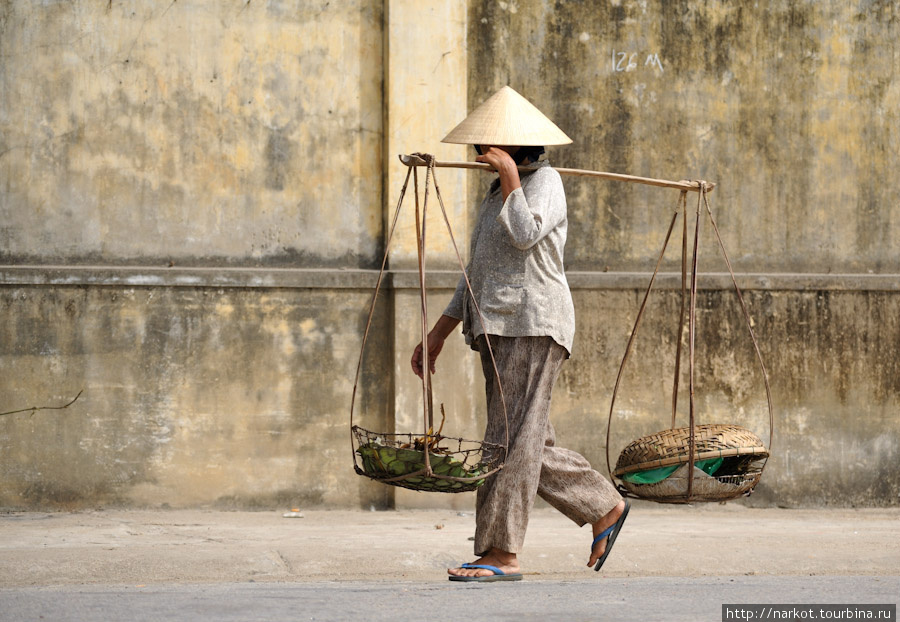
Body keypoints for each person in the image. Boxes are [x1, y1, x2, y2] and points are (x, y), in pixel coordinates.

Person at [410, 86, 629, 582]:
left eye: (490, 149)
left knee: (507, 442)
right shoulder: (497, 194)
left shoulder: (544, 181)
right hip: (497, 325)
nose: (480, 156)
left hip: (532, 322)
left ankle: (500, 553)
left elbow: (527, 235)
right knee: (529, 440)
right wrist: (440, 331)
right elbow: (479, 270)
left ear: (512, 148)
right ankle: (604, 505)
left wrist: (511, 178)